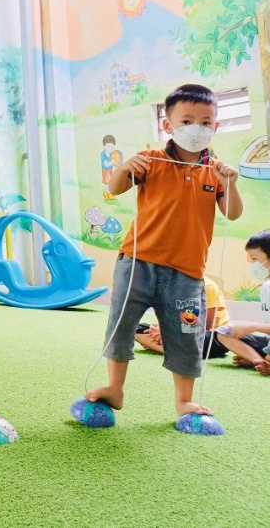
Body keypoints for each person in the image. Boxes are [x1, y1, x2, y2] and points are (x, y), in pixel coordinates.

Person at [86, 84, 243, 424]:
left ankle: (184, 401)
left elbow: (232, 213)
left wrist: (231, 183)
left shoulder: (215, 170)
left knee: (187, 336)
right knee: (121, 325)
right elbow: (115, 187)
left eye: (205, 122)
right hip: (138, 263)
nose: (196, 128)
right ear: (168, 125)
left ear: (215, 126)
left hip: (187, 272)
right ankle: (115, 388)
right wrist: (125, 167)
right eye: (186, 120)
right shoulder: (152, 159)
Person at [216, 230, 270, 375]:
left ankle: (266, 363)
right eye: (249, 259)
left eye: (254, 258)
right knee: (226, 331)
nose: (251, 264)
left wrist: (252, 326)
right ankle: (259, 361)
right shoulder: (266, 286)